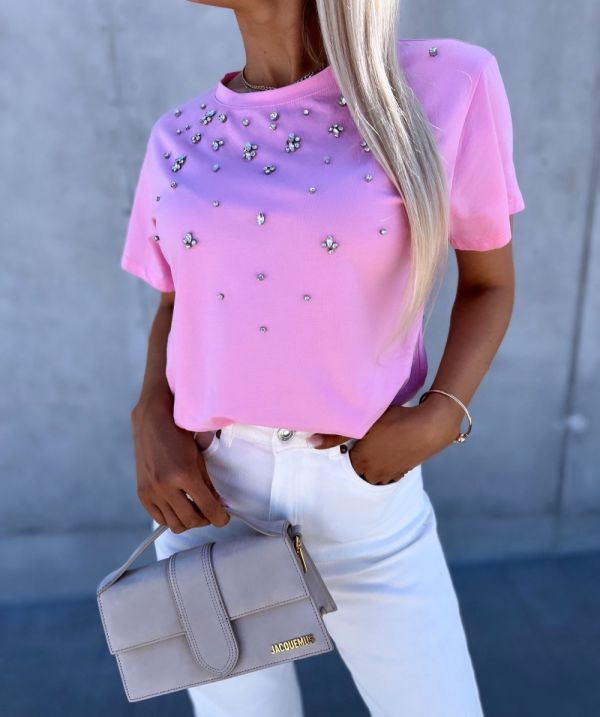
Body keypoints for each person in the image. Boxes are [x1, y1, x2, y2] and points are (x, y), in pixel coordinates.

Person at [120, 1, 525, 714]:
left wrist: (440, 417)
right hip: (211, 500)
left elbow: (489, 283)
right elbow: (174, 303)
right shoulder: (177, 136)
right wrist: (149, 413)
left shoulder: (444, 84)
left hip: (366, 498)